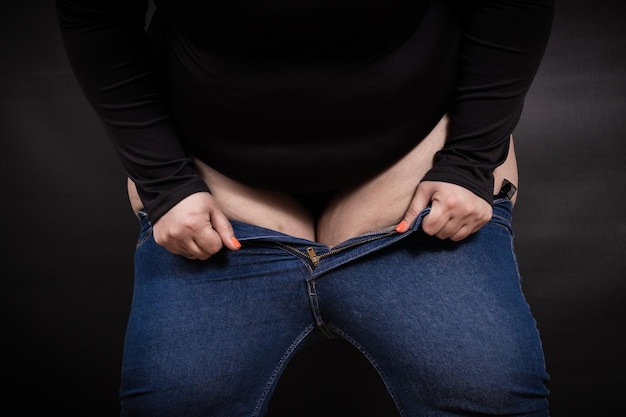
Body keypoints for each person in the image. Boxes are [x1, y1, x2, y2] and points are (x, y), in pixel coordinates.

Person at [56, 0, 554, 416]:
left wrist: (468, 161)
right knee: (175, 403)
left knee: (491, 394)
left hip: (415, 163)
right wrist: (166, 183)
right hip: (212, 180)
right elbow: (96, 15)